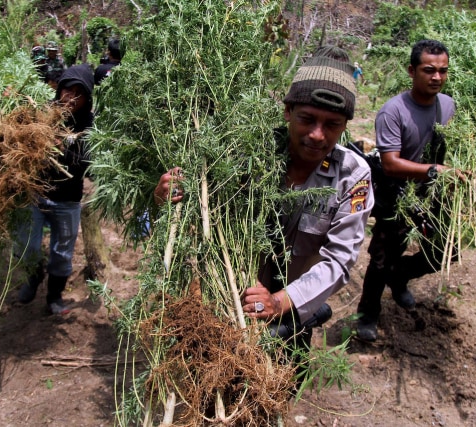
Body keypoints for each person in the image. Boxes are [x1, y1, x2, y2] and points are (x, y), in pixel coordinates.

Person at [155, 46, 373, 356]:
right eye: (307, 119)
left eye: (332, 125)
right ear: (287, 112)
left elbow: (338, 260)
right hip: (225, 300)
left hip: (292, 308)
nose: (317, 135)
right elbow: (198, 206)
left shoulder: (354, 176)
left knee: (281, 388)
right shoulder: (247, 151)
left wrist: (279, 301)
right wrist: (169, 194)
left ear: (345, 126)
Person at [356, 39, 457, 342]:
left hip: (433, 196)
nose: (436, 77)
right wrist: (432, 170)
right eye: (429, 70)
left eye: (443, 71)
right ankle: (367, 313)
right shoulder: (393, 112)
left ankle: (400, 277)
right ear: (412, 71)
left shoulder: (449, 106)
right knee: (380, 259)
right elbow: (389, 164)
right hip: (396, 196)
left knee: (444, 252)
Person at [15, 64, 94, 315]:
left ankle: (54, 296)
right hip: (36, 193)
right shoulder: (43, 114)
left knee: (62, 253)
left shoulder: (90, 126)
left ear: (87, 98)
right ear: (59, 90)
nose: (71, 98)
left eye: (78, 93)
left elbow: (90, 165)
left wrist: (64, 150)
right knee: (27, 244)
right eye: (67, 90)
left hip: (67, 200)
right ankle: (33, 277)